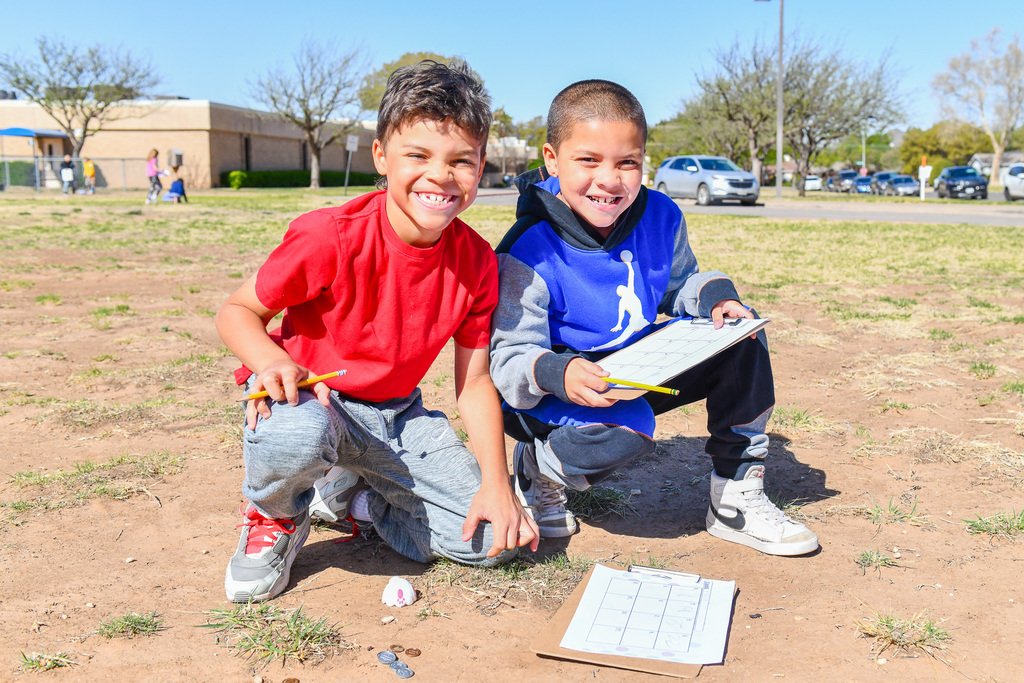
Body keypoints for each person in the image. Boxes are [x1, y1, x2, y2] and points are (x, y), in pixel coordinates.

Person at [217, 59, 539, 603]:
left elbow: (475, 383)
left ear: (481, 167)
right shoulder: (329, 235)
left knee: (495, 540)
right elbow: (236, 312)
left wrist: (498, 485)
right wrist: (271, 361)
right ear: (381, 157)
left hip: (398, 416)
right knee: (297, 436)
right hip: (313, 402)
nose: (440, 175)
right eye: (417, 155)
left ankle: (352, 498)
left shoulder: (479, 263)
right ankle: (275, 514)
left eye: (462, 161)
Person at [489, 80, 818, 556]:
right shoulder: (528, 249)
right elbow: (509, 359)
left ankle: (735, 495)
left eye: (627, 162)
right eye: (588, 160)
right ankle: (538, 468)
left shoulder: (660, 214)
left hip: (636, 367)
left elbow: (680, 282)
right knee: (629, 430)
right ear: (552, 158)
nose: (609, 179)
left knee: (741, 337)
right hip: (550, 392)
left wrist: (715, 299)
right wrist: (557, 372)